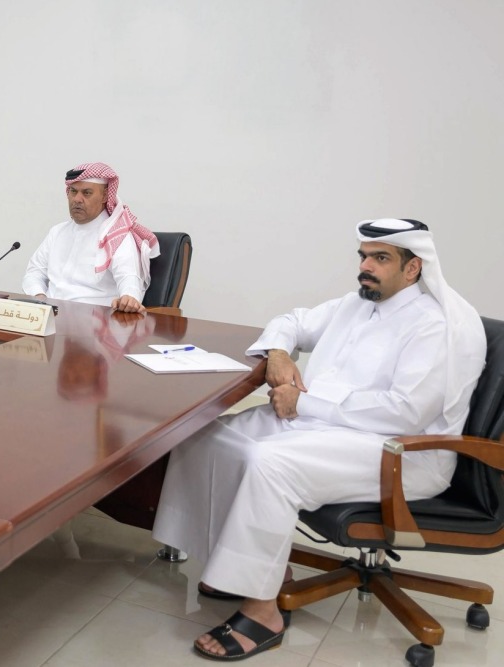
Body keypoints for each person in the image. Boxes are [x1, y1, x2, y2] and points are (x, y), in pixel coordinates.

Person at [151, 218, 487, 661]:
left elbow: (404, 412)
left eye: (380, 258)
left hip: (401, 452)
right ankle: (239, 569)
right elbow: (292, 321)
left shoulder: (433, 326)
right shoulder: (356, 304)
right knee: (204, 434)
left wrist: (303, 403)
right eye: (363, 257)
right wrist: (279, 353)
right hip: (331, 428)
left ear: (413, 269)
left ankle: (263, 612)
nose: (365, 267)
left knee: (270, 463)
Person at [21, 162, 159, 313]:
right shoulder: (57, 232)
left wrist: (129, 298)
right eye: (73, 191)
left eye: (86, 193)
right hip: (50, 315)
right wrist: (40, 298)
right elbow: (34, 272)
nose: (77, 199)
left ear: (105, 196)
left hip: (93, 321)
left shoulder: (117, 235)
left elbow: (129, 277)